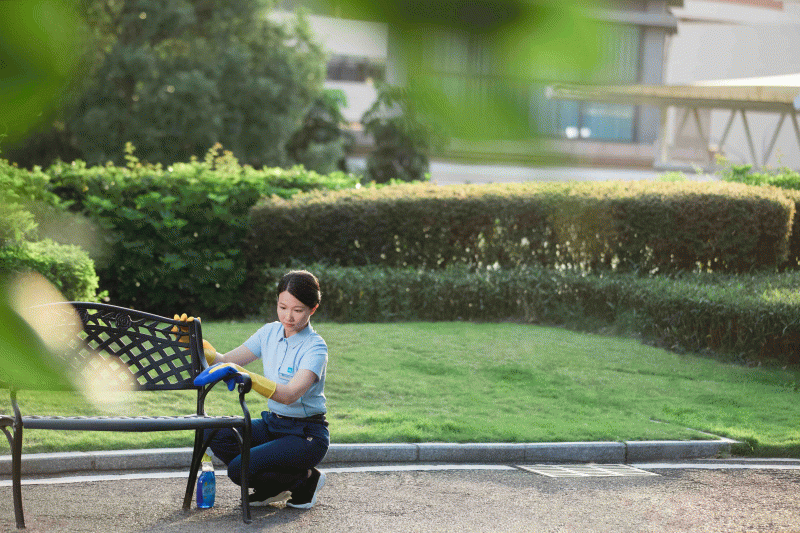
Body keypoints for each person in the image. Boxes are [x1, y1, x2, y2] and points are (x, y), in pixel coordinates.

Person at [178, 270, 329, 508]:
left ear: (313, 309)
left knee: (239, 469)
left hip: (305, 435)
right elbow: (226, 359)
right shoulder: (269, 332)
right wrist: (195, 343)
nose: (288, 316)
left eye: (297, 310)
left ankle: (306, 479)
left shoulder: (315, 347)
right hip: (273, 424)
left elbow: (289, 395)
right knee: (212, 433)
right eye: (282, 307)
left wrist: (248, 377)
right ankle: (271, 488)